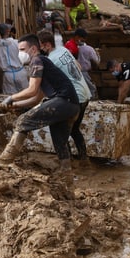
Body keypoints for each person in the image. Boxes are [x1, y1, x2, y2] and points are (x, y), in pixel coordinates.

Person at [0, 33, 79, 172]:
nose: (20, 53)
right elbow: (37, 98)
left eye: (22, 49)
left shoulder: (37, 61)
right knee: (59, 140)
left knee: (23, 121)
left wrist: (11, 98)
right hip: (71, 105)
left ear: (33, 49)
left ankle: (5, 161)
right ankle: (66, 172)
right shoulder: (43, 62)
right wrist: (14, 106)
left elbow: (32, 90)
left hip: (63, 101)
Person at [38, 30, 92, 163]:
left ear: (47, 45)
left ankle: (66, 164)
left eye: (40, 45)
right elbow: (78, 66)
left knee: (60, 132)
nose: (39, 48)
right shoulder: (63, 50)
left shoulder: (50, 61)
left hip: (74, 98)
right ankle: (84, 159)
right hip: (85, 94)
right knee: (74, 129)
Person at [0, 23, 29, 94]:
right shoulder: (18, 43)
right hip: (20, 73)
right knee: (25, 95)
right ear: (8, 32)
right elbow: (26, 56)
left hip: (7, 75)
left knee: (10, 98)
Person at [67, 28, 100, 95]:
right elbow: (95, 61)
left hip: (73, 71)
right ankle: (92, 97)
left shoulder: (70, 45)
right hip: (83, 71)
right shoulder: (88, 49)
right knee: (90, 87)